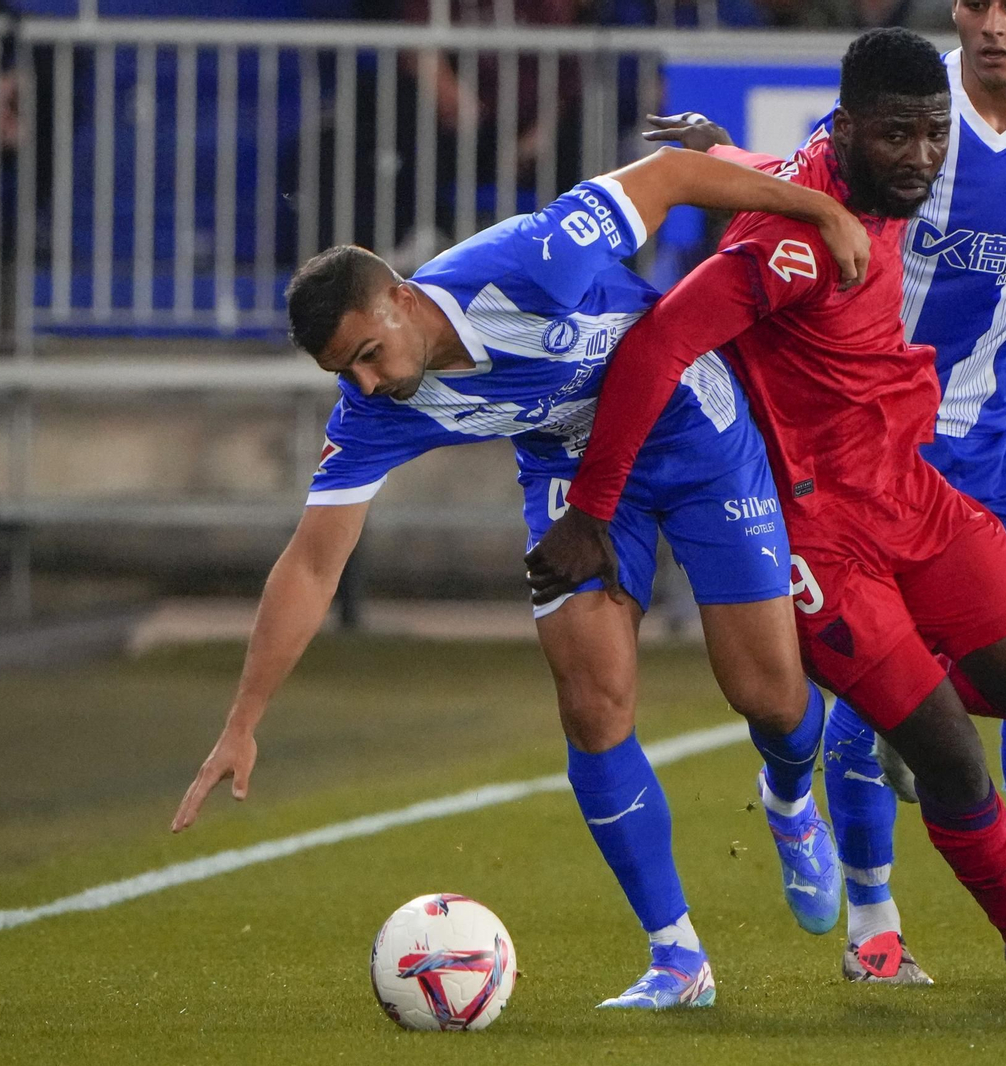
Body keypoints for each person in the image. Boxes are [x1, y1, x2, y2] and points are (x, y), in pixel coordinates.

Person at [531, 28, 1006, 1005]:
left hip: (911, 490)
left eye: (934, 136)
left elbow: (789, 166)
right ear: (846, 134)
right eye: (900, 138)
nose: (924, 158)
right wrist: (591, 509)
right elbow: (655, 347)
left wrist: (721, 151)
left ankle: (872, 732)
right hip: (820, 533)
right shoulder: (791, 242)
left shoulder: (873, 183)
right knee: (948, 749)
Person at [170, 145, 875, 1010]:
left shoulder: (527, 262)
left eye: (364, 353)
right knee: (591, 701)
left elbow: (675, 173)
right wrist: (243, 721)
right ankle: (677, 959)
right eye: (341, 372)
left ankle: (791, 795)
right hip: (570, 476)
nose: (364, 382)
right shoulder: (374, 410)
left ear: (399, 298)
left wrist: (819, 209)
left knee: (767, 693)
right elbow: (313, 563)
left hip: (689, 426)